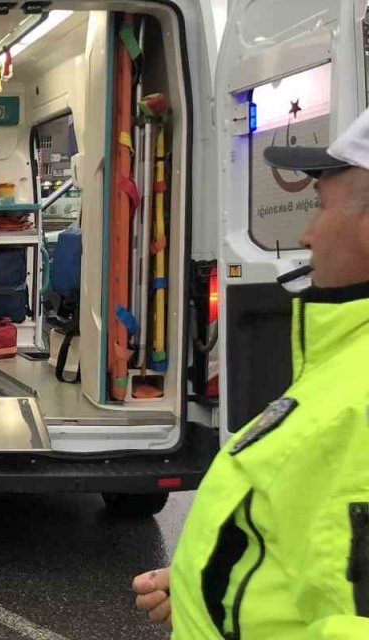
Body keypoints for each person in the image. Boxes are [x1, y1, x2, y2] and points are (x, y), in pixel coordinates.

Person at [132, 108, 369, 638]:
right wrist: (202, 582)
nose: (307, 235)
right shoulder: (349, 367)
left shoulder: (360, 405)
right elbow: (303, 556)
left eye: (321, 207)